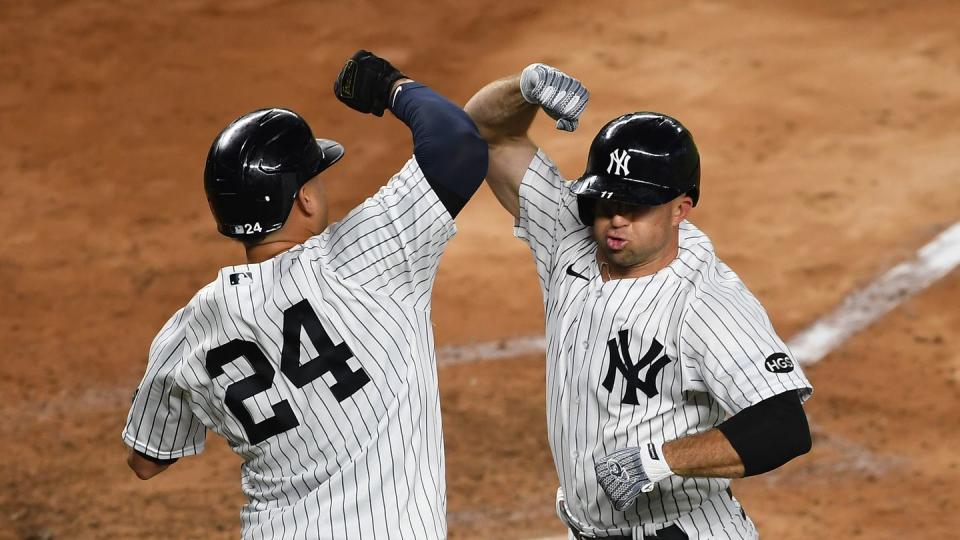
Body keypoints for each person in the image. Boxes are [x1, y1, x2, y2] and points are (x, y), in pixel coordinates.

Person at [122, 50, 487, 539]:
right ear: (304, 198)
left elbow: (145, 461)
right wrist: (389, 87)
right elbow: (456, 145)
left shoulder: (188, 332)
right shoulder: (364, 259)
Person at [465, 64, 813, 539]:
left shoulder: (706, 301)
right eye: (606, 202)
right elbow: (486, 133)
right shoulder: (570, 236)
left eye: (635, 206)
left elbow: (783, 426)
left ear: (680, 208)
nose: (615, 221)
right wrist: (524, 87)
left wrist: (659, 460)